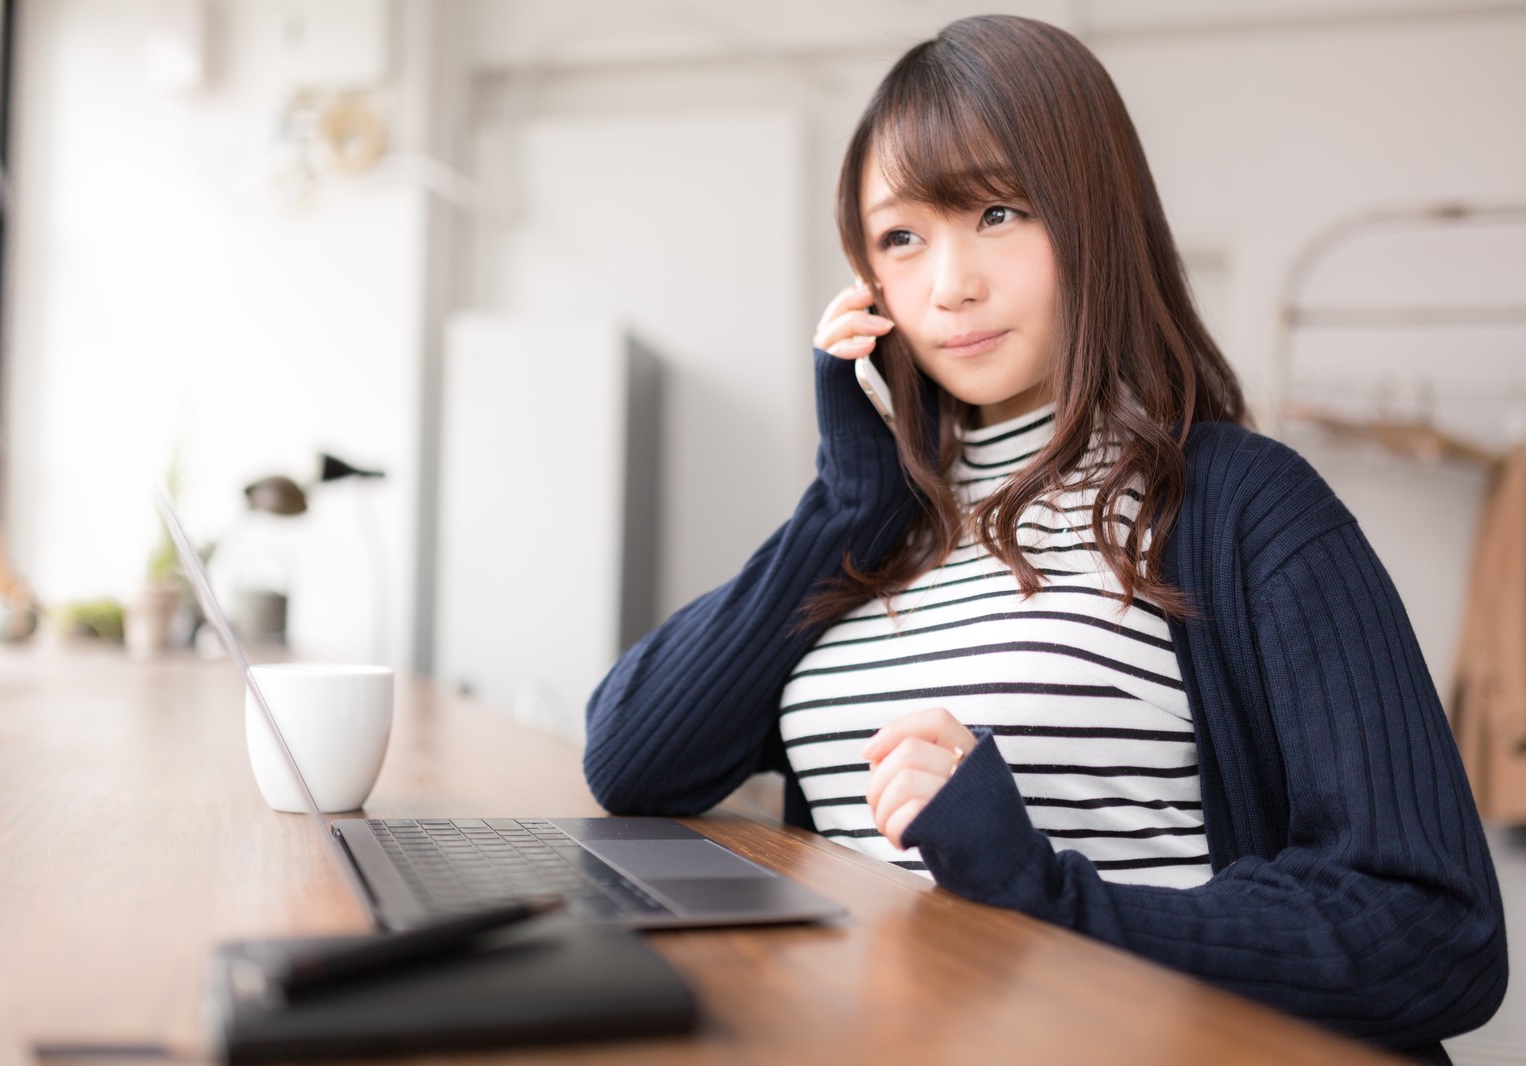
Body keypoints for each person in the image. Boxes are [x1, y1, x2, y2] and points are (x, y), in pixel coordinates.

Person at [582, 14, 1505, 1063]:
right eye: (901, 237)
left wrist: (1044, 896)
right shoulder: (876, 526)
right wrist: (843, 505)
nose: (949, 286)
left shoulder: (1235, 506)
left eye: (998, 211)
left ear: (1093, 219)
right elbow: (630, 757)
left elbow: (1434, 934)